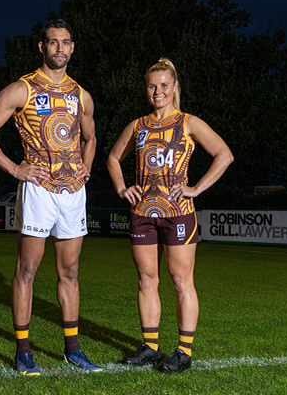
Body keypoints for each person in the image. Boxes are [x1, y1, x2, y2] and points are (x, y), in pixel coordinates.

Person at [0, 19, 101, 375]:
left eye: (65, 42)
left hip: (73, 191)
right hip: (39, 189)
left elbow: (90, 137)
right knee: (27, 270)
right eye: (53, 42)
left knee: (70, 271)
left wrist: (87, 166)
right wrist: (14, 169)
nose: (59, 48)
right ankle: (23, 351)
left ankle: (73, 349)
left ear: (73, 48)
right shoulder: (22, 89)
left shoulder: (81, 95)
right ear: (41, 47)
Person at [107, 59, 233, 373]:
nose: (158, 91)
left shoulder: (188, 122)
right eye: (152, 86)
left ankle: (184, 352)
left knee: (181, 281)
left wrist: (197, 188)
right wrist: (123, 189)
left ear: (175, 87)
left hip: (178, 213)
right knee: (147, 280)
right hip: (142, 213)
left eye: (164, 85)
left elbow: (224, 154)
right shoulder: (138, 125)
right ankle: (150, 348)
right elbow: (112, 157)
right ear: (146, 89)